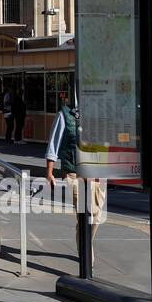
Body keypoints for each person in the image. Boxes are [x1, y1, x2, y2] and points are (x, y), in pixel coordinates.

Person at [45, 92, 98, 267]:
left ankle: (85, 242)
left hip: (96, 174)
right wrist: (49, 173)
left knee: (96, 217)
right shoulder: (64, 115)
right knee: (85, 214)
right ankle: (86, 254)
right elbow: (53, 144)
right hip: (74, 173)